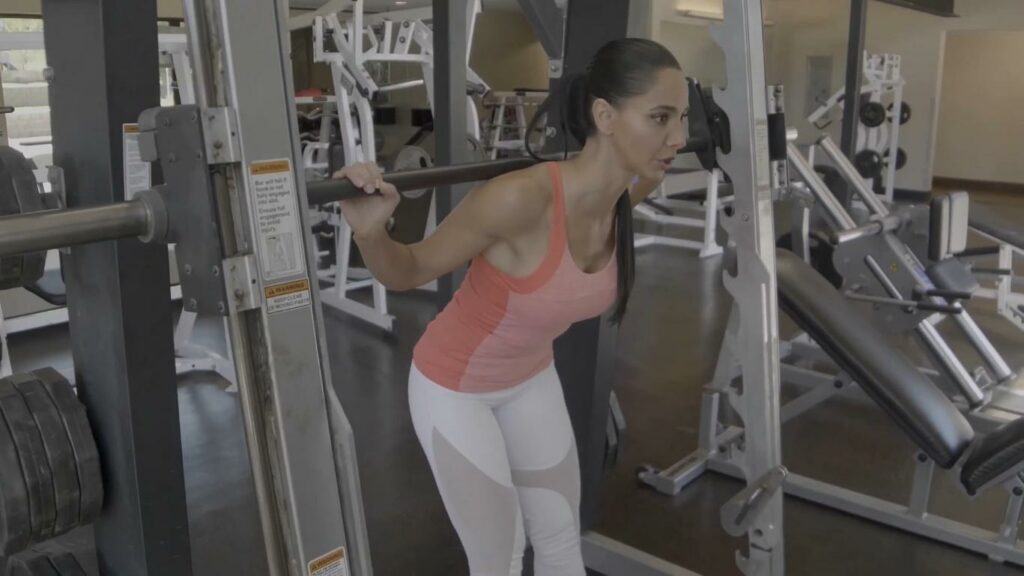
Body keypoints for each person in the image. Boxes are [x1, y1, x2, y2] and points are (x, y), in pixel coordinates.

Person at [335, 38, 686, 576]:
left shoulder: (620, 200)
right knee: (499, 556)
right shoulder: (517, 200)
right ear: (605, 116)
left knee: (560, 541)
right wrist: (370, 231)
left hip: (530, 379)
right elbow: (406, 272)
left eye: (682, 118)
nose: (678, 138)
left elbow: (624, 195)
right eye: (660, 117)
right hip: (454, 389)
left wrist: (647, 169)